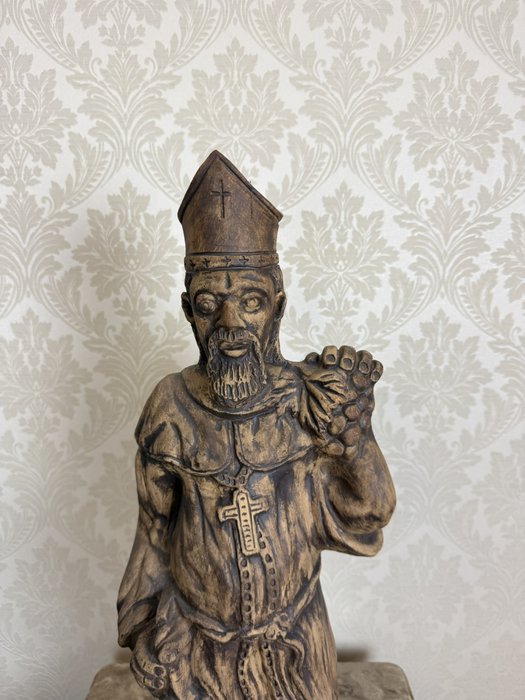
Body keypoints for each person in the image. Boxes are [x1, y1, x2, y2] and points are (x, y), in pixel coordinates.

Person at [117, 151, 396, 699]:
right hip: (196, 652)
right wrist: (143, 622)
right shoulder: (170, 408)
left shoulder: (310, 399)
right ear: (187, 310)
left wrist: (354, 435)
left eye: (250, 301)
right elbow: (153, 529)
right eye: (208, 303)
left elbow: (372, 510)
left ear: (278, 307)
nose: (230, 323)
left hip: (296, 645)